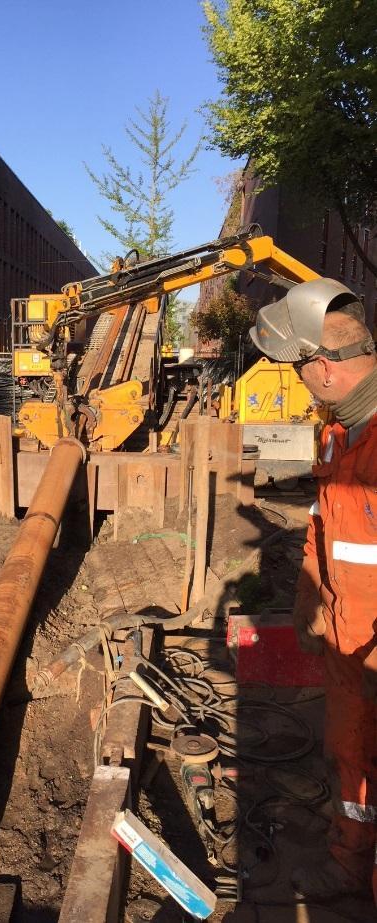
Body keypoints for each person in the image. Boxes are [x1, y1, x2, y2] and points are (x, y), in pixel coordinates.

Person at [250, 277, 377, 901]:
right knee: (351, 764)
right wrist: (309, 600)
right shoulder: (338, 435)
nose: (298, 381)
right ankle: (348, 865)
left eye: (299, 369)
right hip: (350, 644)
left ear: (323, 367)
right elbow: (324, 530)